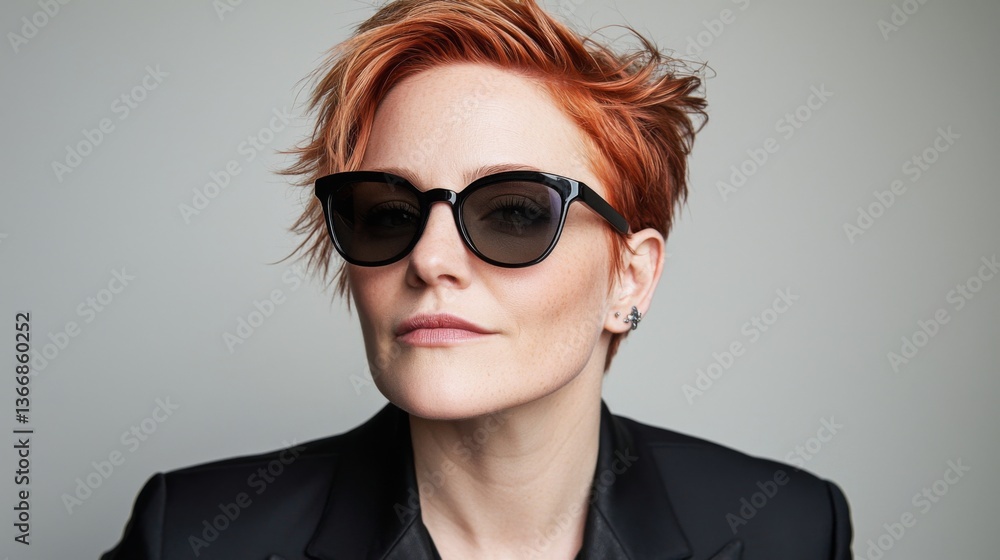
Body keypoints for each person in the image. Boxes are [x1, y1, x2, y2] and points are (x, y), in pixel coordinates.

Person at [101, 1, 852, 558]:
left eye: (515, 212)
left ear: (630, 277)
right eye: (388, 213)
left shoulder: (787, 529)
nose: (430, 259)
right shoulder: (193, 536)